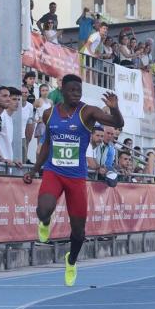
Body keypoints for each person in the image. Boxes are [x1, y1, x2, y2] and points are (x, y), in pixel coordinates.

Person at [23, 74, 124, 286]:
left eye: (79, 90)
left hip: (77, 177)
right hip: (54, 171)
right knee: (43, 210)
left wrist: (114, 108)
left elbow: (117, 122)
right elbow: (47, 145)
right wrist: (34, 169)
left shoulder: (87, 112)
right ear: (63, 91)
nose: (76, 94)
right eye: (72, 90)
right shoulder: (49, 114)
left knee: (78, 232)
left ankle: (71, 260)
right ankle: (45, 221)